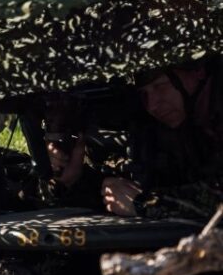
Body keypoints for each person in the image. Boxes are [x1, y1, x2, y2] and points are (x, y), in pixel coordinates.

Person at [48, 56, 222, 219]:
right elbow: (149, 188)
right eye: (144, 94)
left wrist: (145, 203)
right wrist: (73, 180)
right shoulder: (170, 128)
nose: (152, 105)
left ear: (198, 70)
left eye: (161, 86)